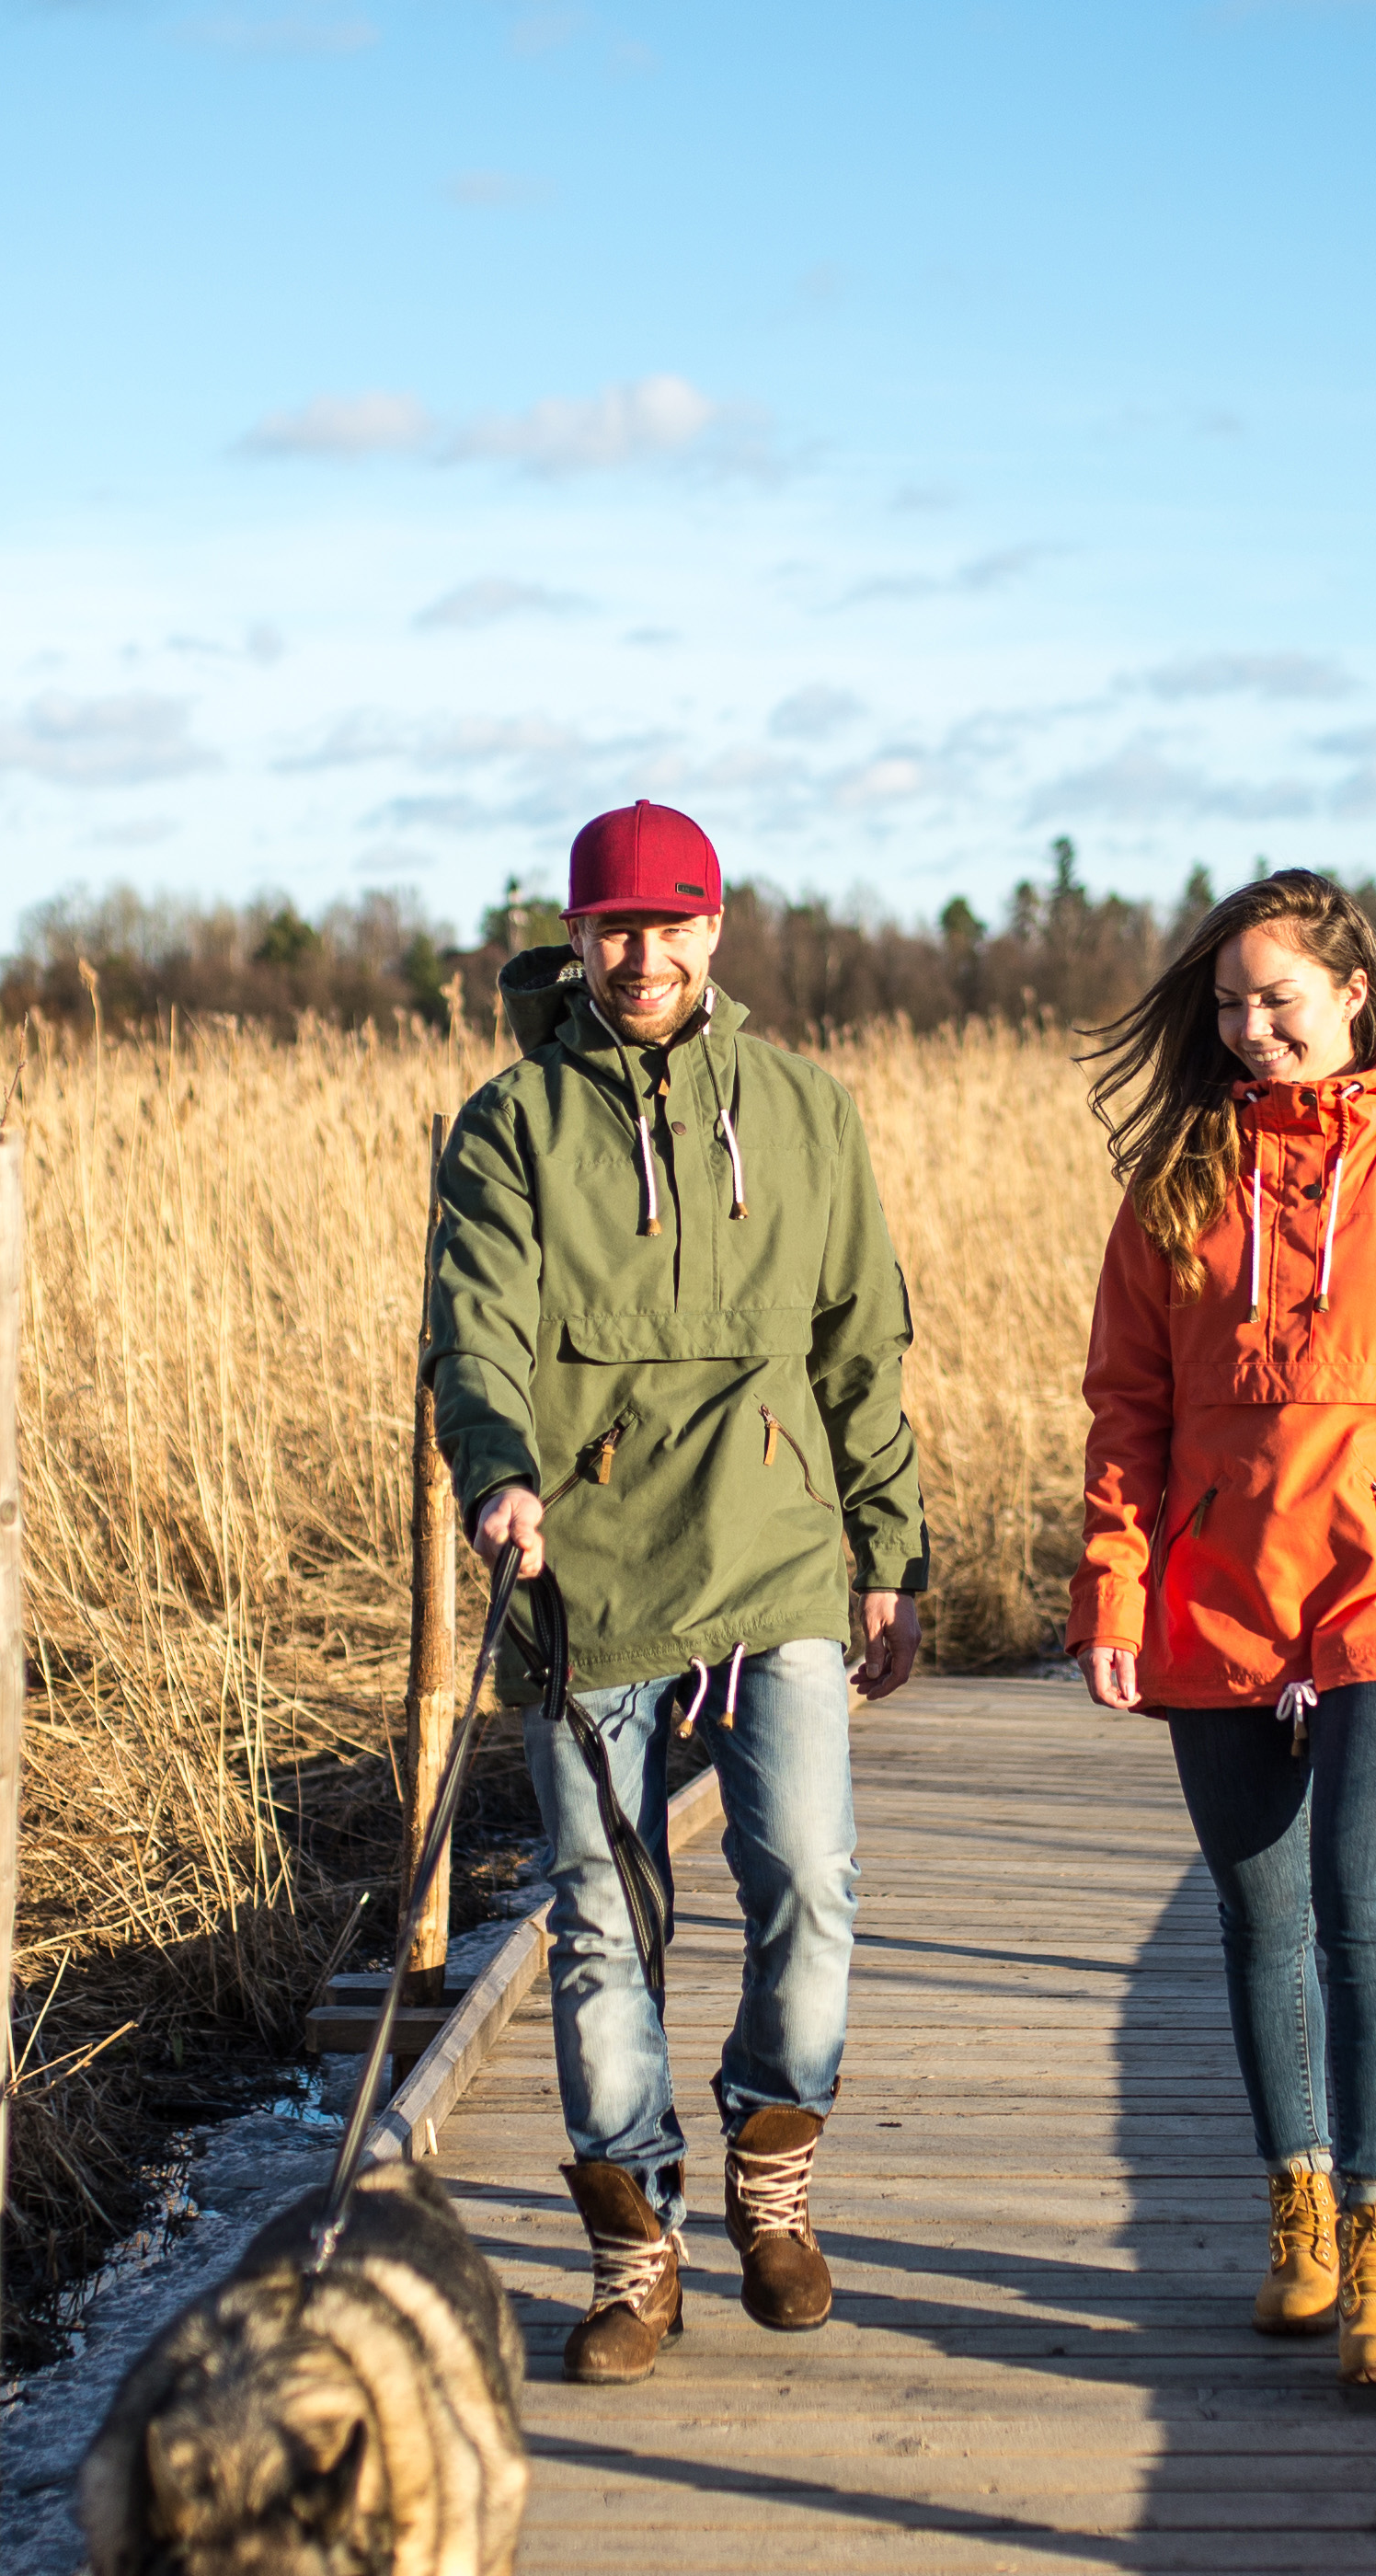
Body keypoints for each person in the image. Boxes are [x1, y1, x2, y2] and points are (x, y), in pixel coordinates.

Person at [428, 799, 927, 2386]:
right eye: (612, 928)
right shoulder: (510, 1127)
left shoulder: (799, 1111)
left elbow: (860, 1341)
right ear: (574, 938)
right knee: (598, 1919)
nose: (642, 955)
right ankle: (634, 2242)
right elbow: (475, 1336)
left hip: (777, 1548)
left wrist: (891, 1549)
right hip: (588, 1559)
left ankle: (772, 2178)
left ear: (718, 930)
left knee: (811, 1882)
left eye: (671, 924)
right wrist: (497, 1473)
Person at [1064, 869, 1376, 2388]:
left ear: (1356, 994)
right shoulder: (1176, 1183)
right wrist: (1113, 1584)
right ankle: (1293, 2209)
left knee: (1363, 1909)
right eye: (1229, 1004)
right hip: (1223, 1593)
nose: (1253, 1027)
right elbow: (1126, 1412)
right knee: (1260, 1918)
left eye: (1280, 998)